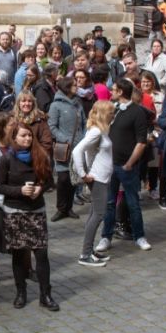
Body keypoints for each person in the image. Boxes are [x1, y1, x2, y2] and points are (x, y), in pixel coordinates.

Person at [0, 122, 56, 310]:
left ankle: (45, 295)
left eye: (29, 135)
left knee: (41, 254)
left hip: (36, 211)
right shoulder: (7, 159)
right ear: (14, 138)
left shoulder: (40, 156)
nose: (28, 139)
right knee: (19, 254)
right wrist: (20, 190)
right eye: (23, 136)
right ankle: (21, 292)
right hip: (15, 212)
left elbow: (49, 181)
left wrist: (40, 188)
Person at [101, 78, 151, 254]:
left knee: (132, 202)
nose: (111, 92)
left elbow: (141, 142)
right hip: (109, 164)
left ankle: (139, 236)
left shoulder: (137, 112)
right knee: (109, 202)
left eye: (114, 89)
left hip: (126, 166)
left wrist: (130, 163)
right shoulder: (112, 109)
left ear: (121, 92)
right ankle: (106, 236)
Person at [71, 100, 115, 267]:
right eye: (110, 112)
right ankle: (85, 254)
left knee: (94, 214)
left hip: (102, 178)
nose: (113, 115)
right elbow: (77, 151)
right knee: (98, 215)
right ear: (104, 113)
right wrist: (83, 174)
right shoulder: (96, 131)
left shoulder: (100, 130)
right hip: (97, 179)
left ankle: (89, 251)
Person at [47, 77, 83, 222]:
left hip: (78, 147)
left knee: (73, 179)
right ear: (66, 87)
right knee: (63, 179)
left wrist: (84, 138)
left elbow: (84, 122)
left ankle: (69, 208)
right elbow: (52, 126)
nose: (77, 86)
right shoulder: (56, 105)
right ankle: (61, 208)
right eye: (74, 84)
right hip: (64, 147)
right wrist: (65, 138)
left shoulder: (78, 103)